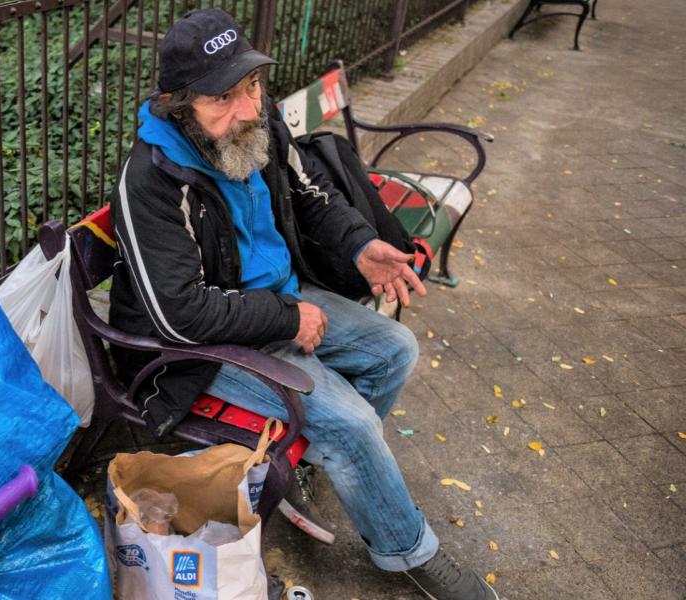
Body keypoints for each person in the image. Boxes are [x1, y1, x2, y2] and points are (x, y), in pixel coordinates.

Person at [106, 8, 501, 600]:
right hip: (202, 351)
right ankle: (405, 548)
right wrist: (289, 317)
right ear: (179, 105)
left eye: (252, 86)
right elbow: (180, 314)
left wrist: (361, 244)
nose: (247, 109)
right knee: (350, 423)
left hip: (278, 298)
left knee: (395, 349)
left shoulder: (256, 124)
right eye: (223, 98)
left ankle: (309, 462)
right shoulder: (151, 180)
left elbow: (310, 196)